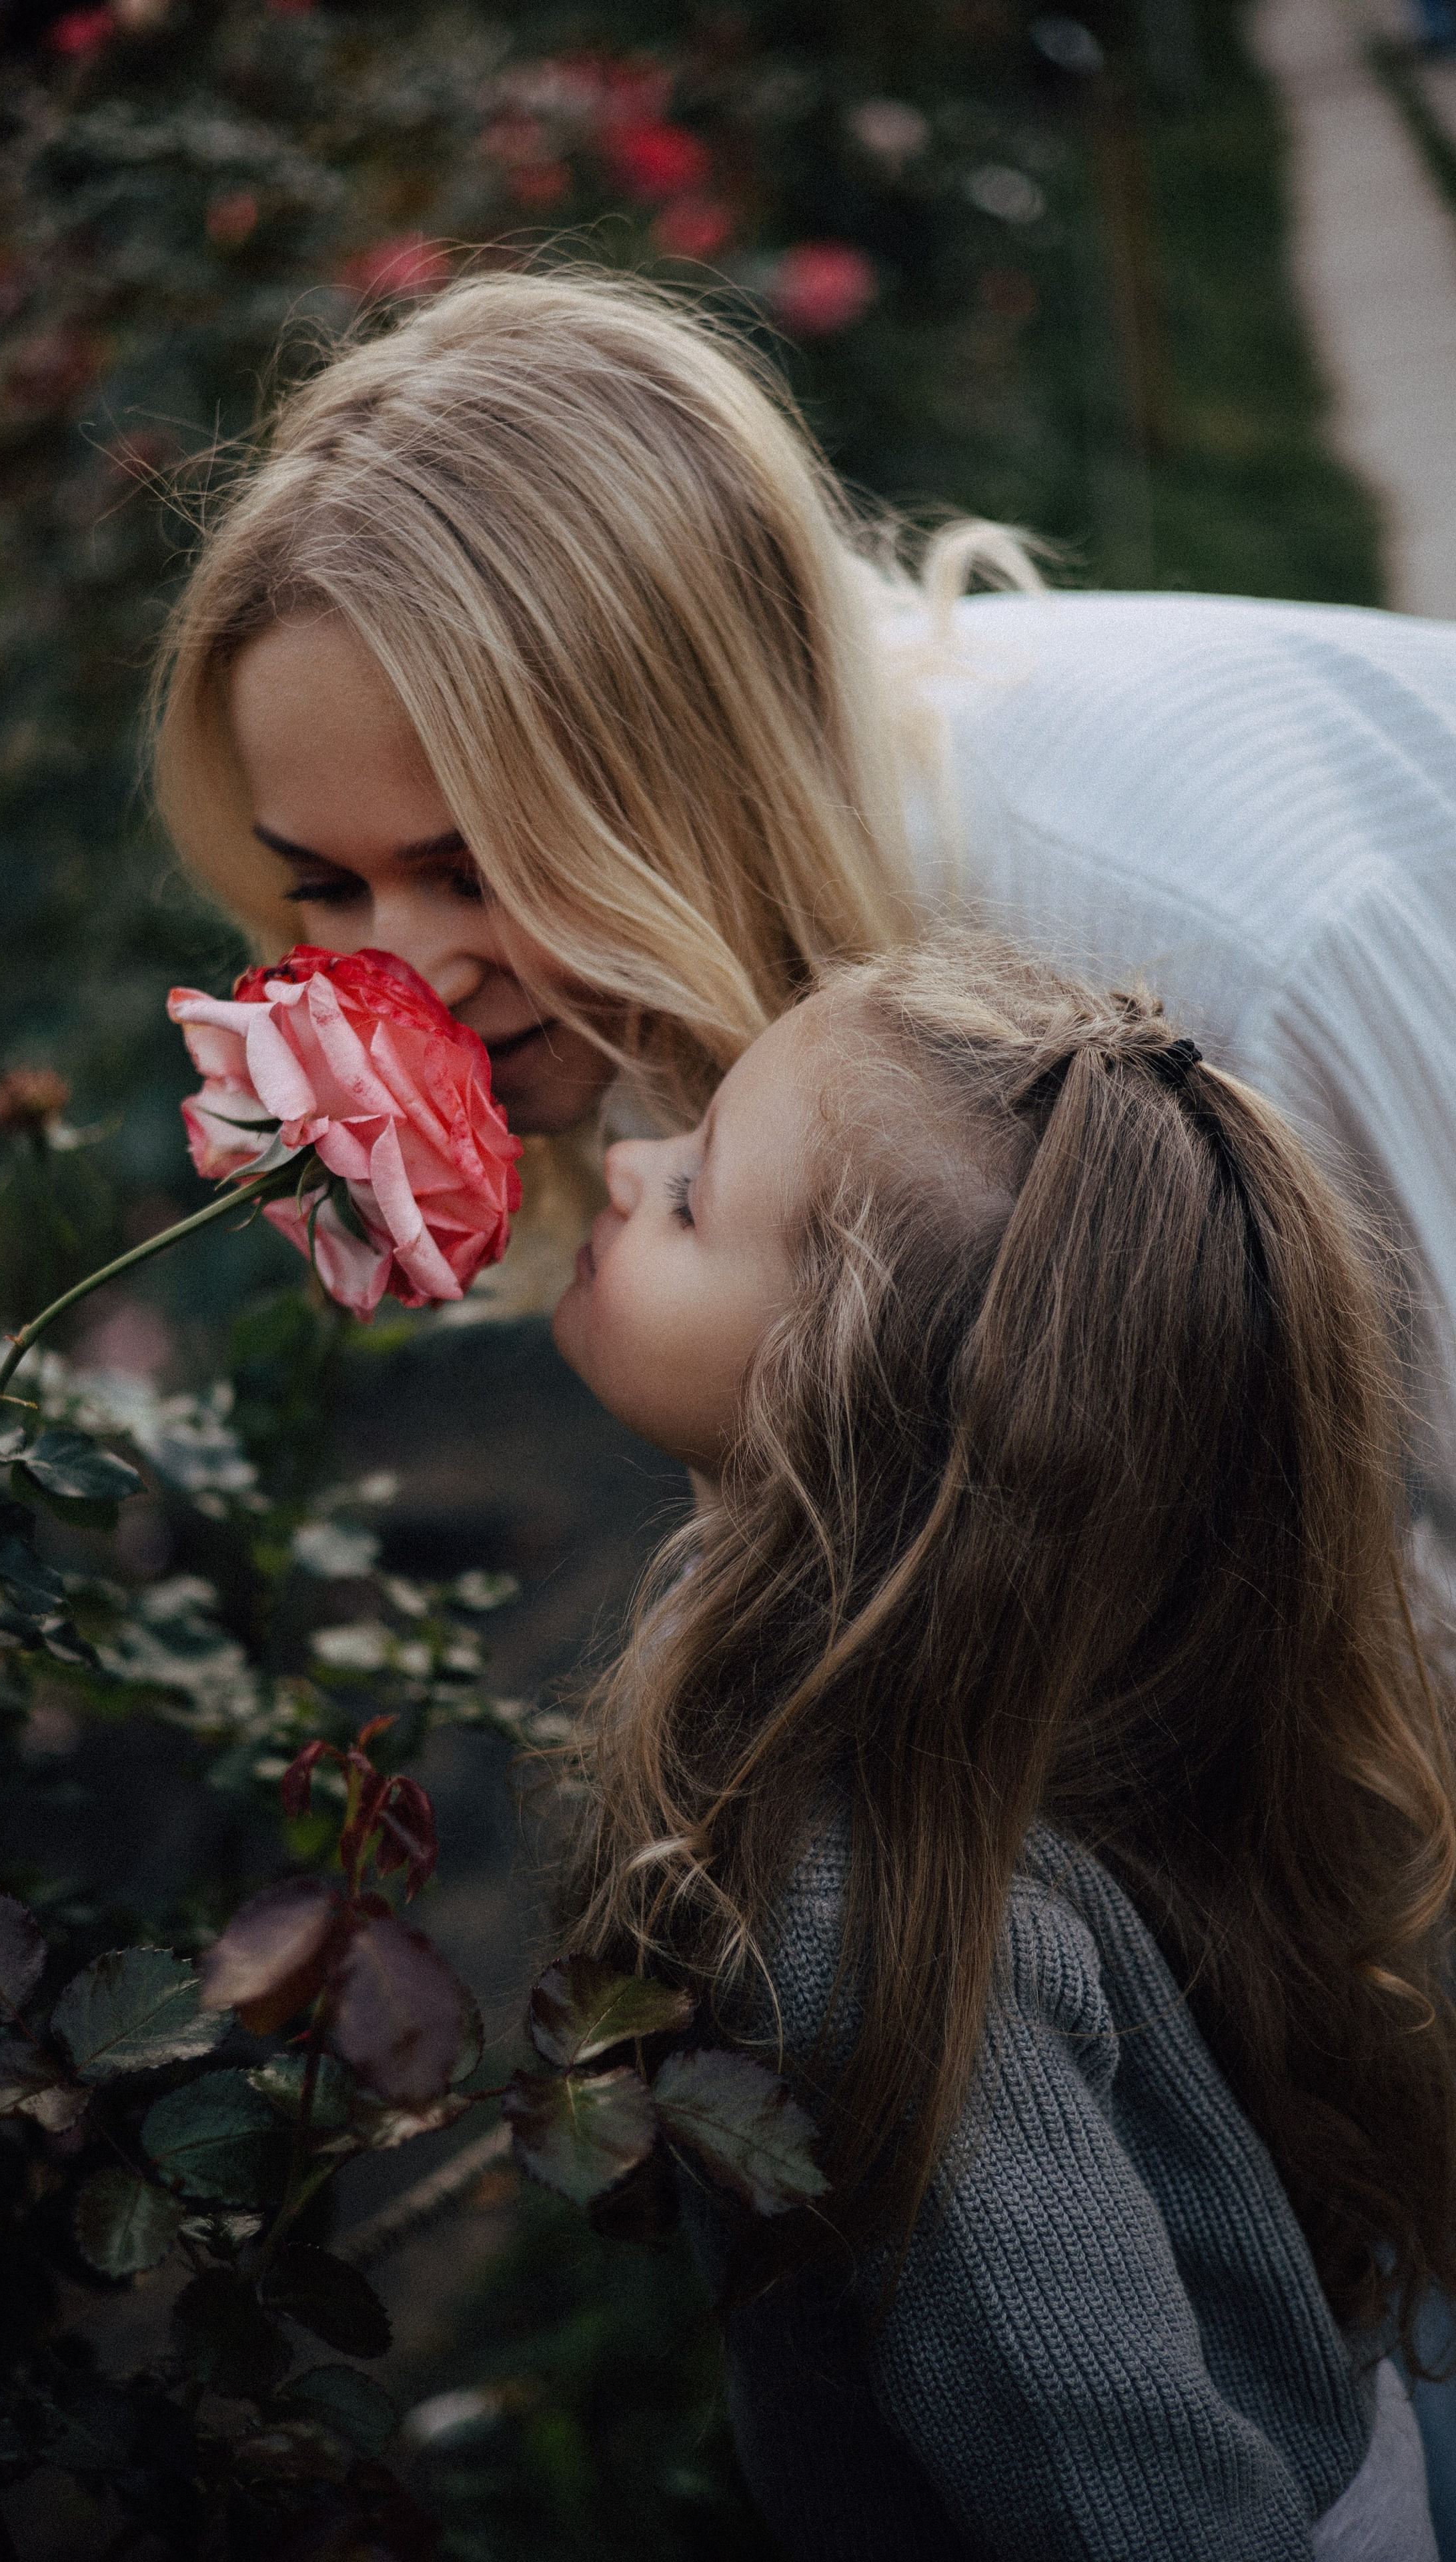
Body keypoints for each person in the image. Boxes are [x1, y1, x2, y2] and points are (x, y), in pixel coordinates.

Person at [152, 264, 1456, 1613]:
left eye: (478, 869)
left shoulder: (1216, 962)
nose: (406, 977)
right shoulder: (678, 954)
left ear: (692, 758)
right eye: (326, 888)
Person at [552, 933, 1456, 2560]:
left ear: (836, 1408)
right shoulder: (995, 1687)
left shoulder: (865, 1918)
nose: (621, 1161)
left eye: (691, 1196)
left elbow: (1122, 2491)